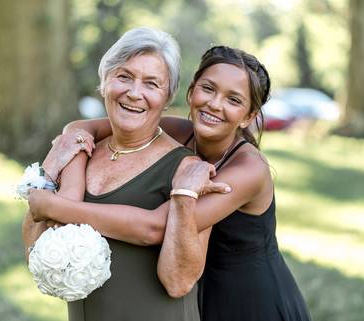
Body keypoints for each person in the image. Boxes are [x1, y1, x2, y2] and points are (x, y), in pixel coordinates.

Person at [29, 46, 312, 321]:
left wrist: (54, 206)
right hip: (200, 289)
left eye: (234, 100)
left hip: (250, 298)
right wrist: (72, 187)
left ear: (249, 116)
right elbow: (80, 128)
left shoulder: (248, 169)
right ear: (191, 91)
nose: (215, 104)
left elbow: (155, 227)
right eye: (208, 89)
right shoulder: (179, 130)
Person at [22, 27, 228, 321]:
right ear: (104, 82)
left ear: (167, 97)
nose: (134, 93)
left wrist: (59, 208)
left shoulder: (186, 170)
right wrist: (50, 168)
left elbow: (179, 281)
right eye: (124, 76)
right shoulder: (80, 152)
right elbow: (34, 251)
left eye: (151, 84)